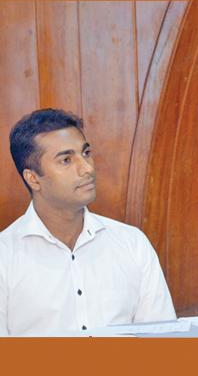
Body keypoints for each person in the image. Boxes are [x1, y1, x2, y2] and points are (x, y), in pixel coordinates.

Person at [0, 109, 176, 336]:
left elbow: (162, 342)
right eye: (66, 160)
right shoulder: (5, 256)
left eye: (86, 153)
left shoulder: (132, 243)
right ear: (33, 178)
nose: (87, 169)